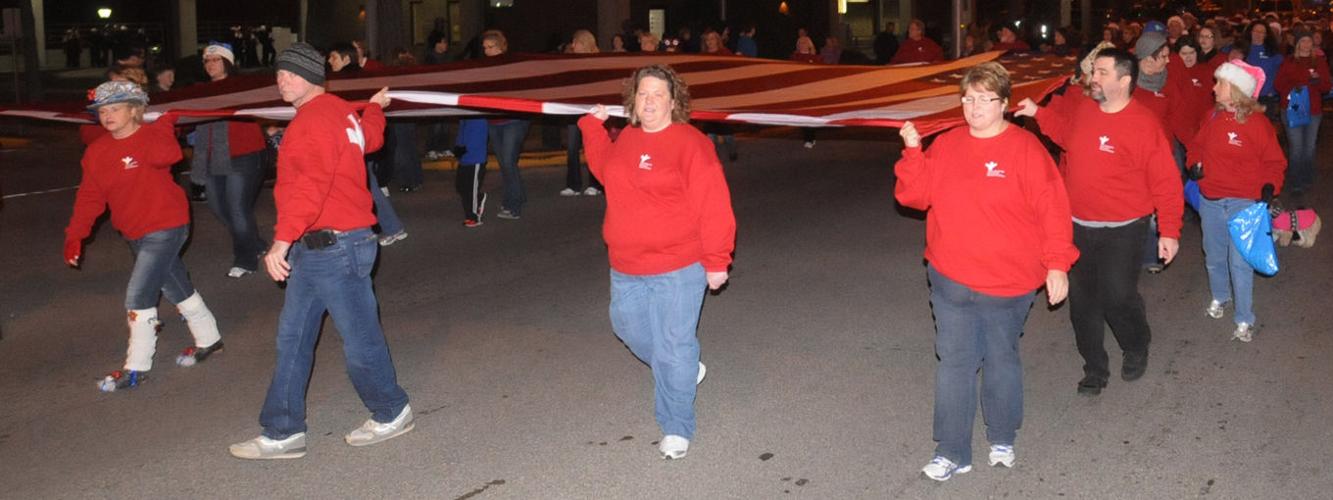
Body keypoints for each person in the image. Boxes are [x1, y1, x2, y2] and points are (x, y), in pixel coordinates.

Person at [895, 61, 1078, 482]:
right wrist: (912, 153)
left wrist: (1057, 264)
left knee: (1000, 360)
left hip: (1008, 283)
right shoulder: (946, 144)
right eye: (967, 98)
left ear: (1005, 104)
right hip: (951, 278)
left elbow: (1053, 210)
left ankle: (1001, 436)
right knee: (955, 364)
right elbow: (914, 197)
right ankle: (951, 450)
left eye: (984, 99)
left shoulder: (1026, 150)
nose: (973, 107)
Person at [229, 43, 413, 460]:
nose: (282, 80)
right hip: (319, 248)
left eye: (291, 74)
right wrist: (375, 107)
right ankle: (283, 430)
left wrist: (281, 239)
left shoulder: (313, 121)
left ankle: (392, 410)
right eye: (278, 74)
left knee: (359, 340)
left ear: (314, 77)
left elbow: (309, 184)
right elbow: (369, 139)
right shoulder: (340, 112)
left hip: (336, 245)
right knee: (292, 340)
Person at [579, 64, 736, 460]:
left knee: (672, 345)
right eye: (642, 94)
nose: (648, 101)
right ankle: (683, 369)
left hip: (679, 266)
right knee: (627, 326)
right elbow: (606, 172)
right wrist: (592, 129)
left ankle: (676, 425)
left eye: (657, 95)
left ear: (673, 101)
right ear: (632, 100)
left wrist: (717, 259)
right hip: (627, 265)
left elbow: (714, 204)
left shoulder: (691, 143)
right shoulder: (627, 137)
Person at [1015, 48, 1183, 397]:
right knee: (1083, 301)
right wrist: (1036, 113)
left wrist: (1169, 230)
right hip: (1077, 224)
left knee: (1118, 296)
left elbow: (1166, 181)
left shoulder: (1143, 124)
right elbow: (1065, 134)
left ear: (1124, 80)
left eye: (1102, 73)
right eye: (1095, 72)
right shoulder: (1085, 111)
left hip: (1125, 227)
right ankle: (1094, 367)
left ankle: (1136, 344)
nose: (1094, 78)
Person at [65, 81, 224, 392]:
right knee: (175, 284)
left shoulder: (152, 136)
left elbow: (168, 155)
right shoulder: (97, 152)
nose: (107, 115)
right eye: (102, 111)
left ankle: (136, 367)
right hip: (133, 230)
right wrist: (76, 235)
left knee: (139, 295)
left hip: (166, 225)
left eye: (114, 108)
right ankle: (210, 339)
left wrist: (164, 127)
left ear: (135, 110)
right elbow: (90, 197)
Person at [1188, 60, 1286, 342]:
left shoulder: (1258, 124)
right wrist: (1194, 163)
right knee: (1214, 255)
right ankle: (1221, 297)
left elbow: (1275, 162)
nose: (1214, 87)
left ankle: (1244, 317)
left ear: (1236, 90)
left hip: (1244, 202)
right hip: (1211, 199)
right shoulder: (1212, 117)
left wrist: (1270, 186)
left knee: (1239, 262)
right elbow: (1195, 147)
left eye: (1220, 83)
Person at [192, 42, 270, 278]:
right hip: (214, 155)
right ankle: (254, 244)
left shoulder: (241, 86)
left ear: (228, 62)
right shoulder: (200, 90)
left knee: (237, 208)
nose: (210, 64)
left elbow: (264, 104)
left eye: (216, 60)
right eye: (207, 60)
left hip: (244, 153)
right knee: (218, 206)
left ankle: (245, 259)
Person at [328, 42, 409, 245]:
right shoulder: (360, 78)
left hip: (356, 138)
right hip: (359, 137)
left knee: (367, 185)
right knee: (365, 183)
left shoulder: (342, 82)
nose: (329, 61)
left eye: (334, 57)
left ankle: (390, 227)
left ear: (346, 59)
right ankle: (384, 227)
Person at [1274, 29, 1330, 205]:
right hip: (1292, 109)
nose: (1306, 45)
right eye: (1303, 41)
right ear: (1297, 44)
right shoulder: (1289, 61)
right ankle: (1296, 182)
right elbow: (1278, 84)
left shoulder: (1319, 61)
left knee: (1309, 148)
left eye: (1309, 41)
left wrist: (1317, 80)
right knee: (1297, 148)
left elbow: (1327, 86)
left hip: (1313, 111)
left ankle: (1307, 176)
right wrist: (1298, 82)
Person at [482, 30, 532, 220]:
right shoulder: (484, 67)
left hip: (514, 119)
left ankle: (513, 204)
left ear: (501, 46)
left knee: (509, 162)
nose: (487, 51)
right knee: (504, 163)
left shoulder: (512, 65)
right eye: (485, 48)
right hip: (494, 120)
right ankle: (518, 196)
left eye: (491, 47)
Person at [561, 29, 604, 197]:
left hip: (592, 111)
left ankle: (596, 184)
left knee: (592, 147)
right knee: (572, 148)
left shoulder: (597, 61)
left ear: (584, 43)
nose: (573, 46)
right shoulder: (570, 61)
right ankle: (573, 184)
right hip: (574, 110)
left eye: (576, 42)